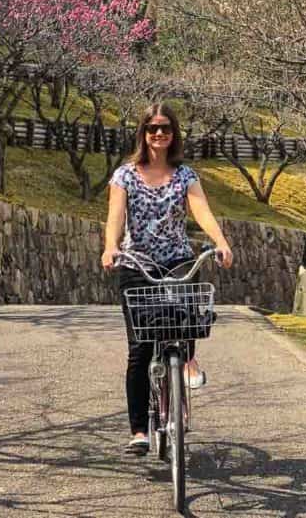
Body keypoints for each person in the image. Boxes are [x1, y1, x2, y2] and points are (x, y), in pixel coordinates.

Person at [102, 102, 234, 456]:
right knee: (140, 349)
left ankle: (187, 361)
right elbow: (115, 217)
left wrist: (220, 242)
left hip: (177, 259)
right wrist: (110, 247)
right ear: (143, 133)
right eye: (152, 128)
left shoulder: (185, 175)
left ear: (174, 134)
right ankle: (138, 432)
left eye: (166, 128)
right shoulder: (124, 175)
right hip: (136, 263)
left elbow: (201, 211)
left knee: (185, 318)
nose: (159, 134)